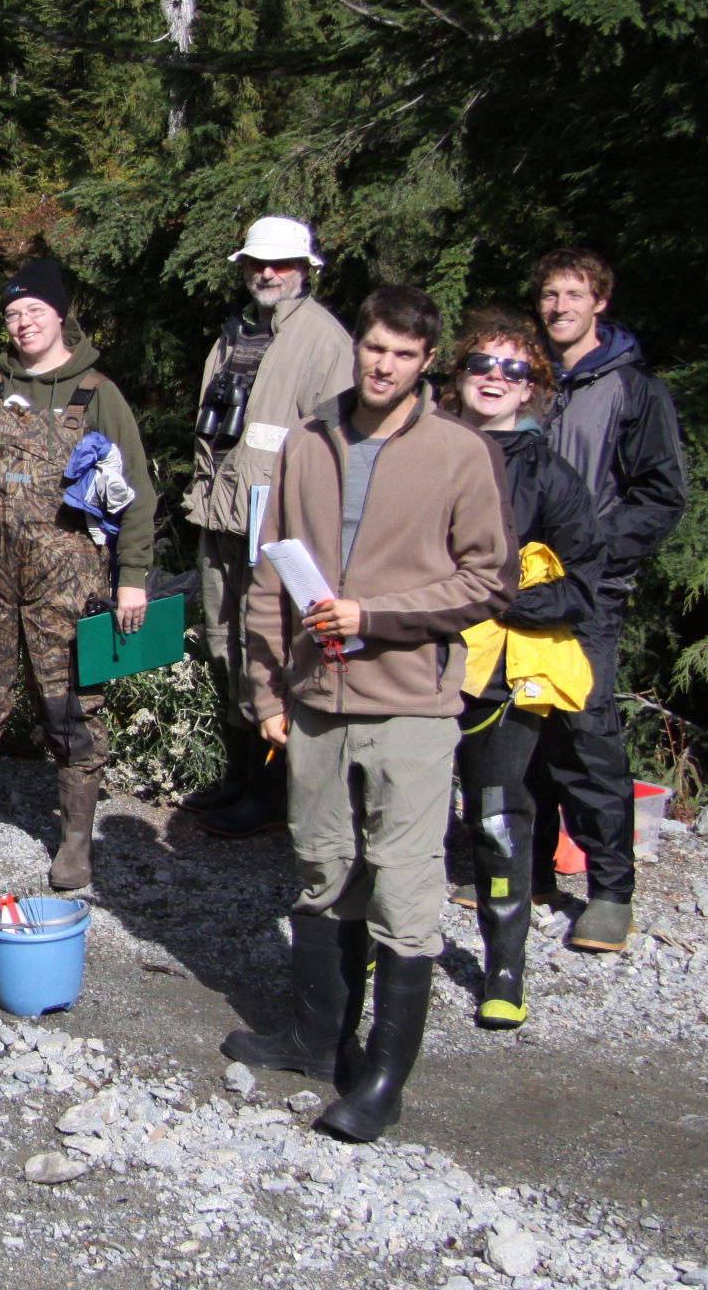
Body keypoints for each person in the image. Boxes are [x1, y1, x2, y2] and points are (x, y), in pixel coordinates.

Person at [225, 285, 514, 1144]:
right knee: (322, 867)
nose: (382, 365)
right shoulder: (310, 442)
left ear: (427, 364)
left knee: (405, 882)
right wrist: (266, 693)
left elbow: (485, 580)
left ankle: (383, 1077)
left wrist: (377, 617)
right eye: (373, 348)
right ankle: (316, 1038)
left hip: (411, 702)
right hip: (314, 698)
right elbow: (271, 571)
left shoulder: (460, 455)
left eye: (401, 354)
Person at [0, 259, 155, 890]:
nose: (22, 323)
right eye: (12, 314)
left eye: (34, 311)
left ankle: (75, 841)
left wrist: (132, 576)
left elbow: (135, 492)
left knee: (74, 707)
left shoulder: (99, 393)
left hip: (70, 582)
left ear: (60, 316)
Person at [442, 309, 606, 1028]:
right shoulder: (419, 448)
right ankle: (383, 938)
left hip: (504, 673)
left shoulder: (554, 476)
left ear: (533, 386)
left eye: (513, 369)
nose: (494, 379)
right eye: (482, 363)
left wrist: (502, 596)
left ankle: (504, 968)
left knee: (499, 817)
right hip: (412, 658)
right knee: (393, 807)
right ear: (459, 374)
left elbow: (583, 586)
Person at [531, 248, 688, 953]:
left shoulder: (634, 391)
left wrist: (595, 554)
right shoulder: (525, 378)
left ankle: (609, 891)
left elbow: (661, 496)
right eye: (549, 295)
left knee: (587, 734)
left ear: (600, 301)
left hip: (590, 590)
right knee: (516, 725)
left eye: (573, 294)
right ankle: (526, 867)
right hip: (517, 585)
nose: (559, 306)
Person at [183, 216, 354, 838]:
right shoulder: (235, 334)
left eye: (280, 264)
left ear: (305, 269)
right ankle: (239, 779)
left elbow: (337, 448)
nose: (267, 273)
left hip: (277, 523)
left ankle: (272, 794)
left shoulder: (325, 342)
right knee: (224, 640)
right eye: (258, 263)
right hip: (222, 513)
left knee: (269, 648)